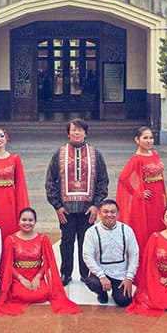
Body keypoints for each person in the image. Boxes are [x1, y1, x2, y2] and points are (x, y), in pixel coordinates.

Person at [44, 117, 107, 285]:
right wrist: (57, 206)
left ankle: (86, 274)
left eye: (80, 130)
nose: (77, 133)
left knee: (86, 242)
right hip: (66, 209)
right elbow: (50, 181)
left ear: (85, 133)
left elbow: (103, 180)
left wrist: (96, 205)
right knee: (67, 241)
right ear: (68, 134)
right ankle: (66, 273)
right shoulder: (59, 154)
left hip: (88, 209)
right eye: (74, 130)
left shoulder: (96, 154)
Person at [0, 207, 81, 315]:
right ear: (19, 221)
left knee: (42, 294)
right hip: (17, 277)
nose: (27, 223)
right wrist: (21, 279)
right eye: (24, 220)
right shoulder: (10, 240)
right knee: (21, 295)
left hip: (36, 276)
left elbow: (48, 262)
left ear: (35, 222)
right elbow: (7, 265)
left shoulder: (43, 239)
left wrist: (38, 277)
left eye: (30, 220)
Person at [115, 125, 166, 257]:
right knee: (147, 230)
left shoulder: (155, 154)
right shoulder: (136, 159)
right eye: (145, 138)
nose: (149, 141)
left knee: (159, 225)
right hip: (146, 201)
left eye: (151, 138)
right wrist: (138, 193)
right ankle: (145, 260)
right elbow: (123, 178)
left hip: (158, 198)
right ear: (137, 140)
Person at [82, 198, 139, 307]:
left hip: (120, 273)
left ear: (118, 214)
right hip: (101, 273)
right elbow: (87, 256)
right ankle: (101, 293)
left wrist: (129, 277)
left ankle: (116, 291)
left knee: (124, 301)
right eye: (105, 212)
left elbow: (134, 254)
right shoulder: (91, 232)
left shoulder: (126, 230)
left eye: (113, 212)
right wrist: (101, 276)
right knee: (92, 282)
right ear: (99, 213)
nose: (109, 215)